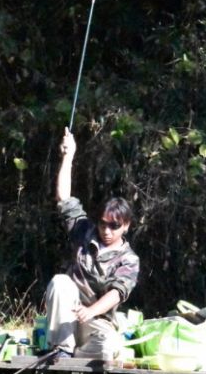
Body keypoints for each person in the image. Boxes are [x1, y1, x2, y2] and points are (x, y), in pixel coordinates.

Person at [45, 127, 140, 361]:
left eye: (114, 226)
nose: (106, 231)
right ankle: (62, 349)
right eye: (103, 224)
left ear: (126, 226)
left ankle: (75, 355)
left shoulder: (129, 259)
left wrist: (91, 311)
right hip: (65, 321)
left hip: (95, 322)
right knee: (60, 281)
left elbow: (117, 293)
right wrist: (68, 156)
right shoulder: (84, 232)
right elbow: (63, 198)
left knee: (108, 350)